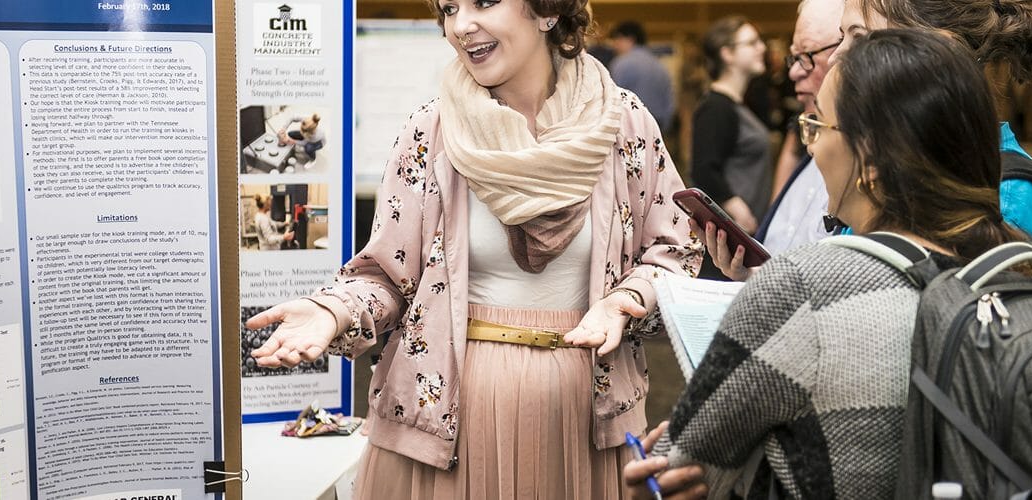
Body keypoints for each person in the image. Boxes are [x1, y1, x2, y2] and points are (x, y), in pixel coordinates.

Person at [245, 0, 704, 496]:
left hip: (585, 420)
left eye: (483, 2)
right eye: (449, 8)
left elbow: (675, 251)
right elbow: (385, 276)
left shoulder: (623, 124)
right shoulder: (432, 131)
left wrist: (625, 300)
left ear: (547, 11)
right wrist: (331, 310)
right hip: (450, 423)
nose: (462, 25)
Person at [627, 28, 1030, 499]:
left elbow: (678, 466)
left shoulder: (805, 288)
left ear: (871, 159)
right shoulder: (1017, 269)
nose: (811, 146)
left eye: (817, 125)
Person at [831, 0, 1032, 292]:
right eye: (841, 37)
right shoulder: (902, 162)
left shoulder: (1003, 202)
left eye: (860, 38)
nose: (835, 57)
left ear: (936, 54)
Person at [707, 0, 844, 282]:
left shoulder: (864, 161)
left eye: (807, 55)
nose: (794, 72)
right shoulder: (718, 107)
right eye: (796, 57)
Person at [689, 15, 771, 232]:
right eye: (752, 43)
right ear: (727, 54)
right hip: (733, 232)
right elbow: (704, 171)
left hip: (745, 231)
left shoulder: (735, 104)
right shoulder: (715, 107)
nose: (762, 48)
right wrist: (737, 208)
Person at [609, 20, 677, 133]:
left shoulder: (621, 64)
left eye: (618, 39)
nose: (615, 45)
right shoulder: (660, 65)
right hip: (657, 126)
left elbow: (614, 100)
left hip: (632, 128)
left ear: (630, 39)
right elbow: (669, 101)